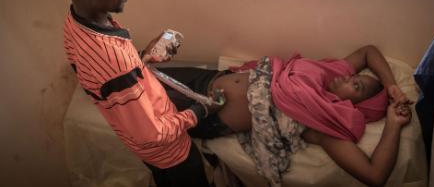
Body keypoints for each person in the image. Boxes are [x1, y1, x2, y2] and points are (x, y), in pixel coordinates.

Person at [55, 0, 212, 187]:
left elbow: (104, 77)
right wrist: (200, 111)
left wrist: (141, 60)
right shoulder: (112, 59)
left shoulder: (76, 22)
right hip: (171, 154)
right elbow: (153, 134)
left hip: (146, 139)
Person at [157, 45, 413, 186]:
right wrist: (392, 86)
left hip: (204, 111)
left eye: (356, 86)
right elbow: (369, 51)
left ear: (351, 105)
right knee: (140, 73)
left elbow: (375, 175)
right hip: (207, 78)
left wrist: (393, 123)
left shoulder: (324, 122)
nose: (349, 76)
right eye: (356, 77)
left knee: (136, 110)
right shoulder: (327, 72)